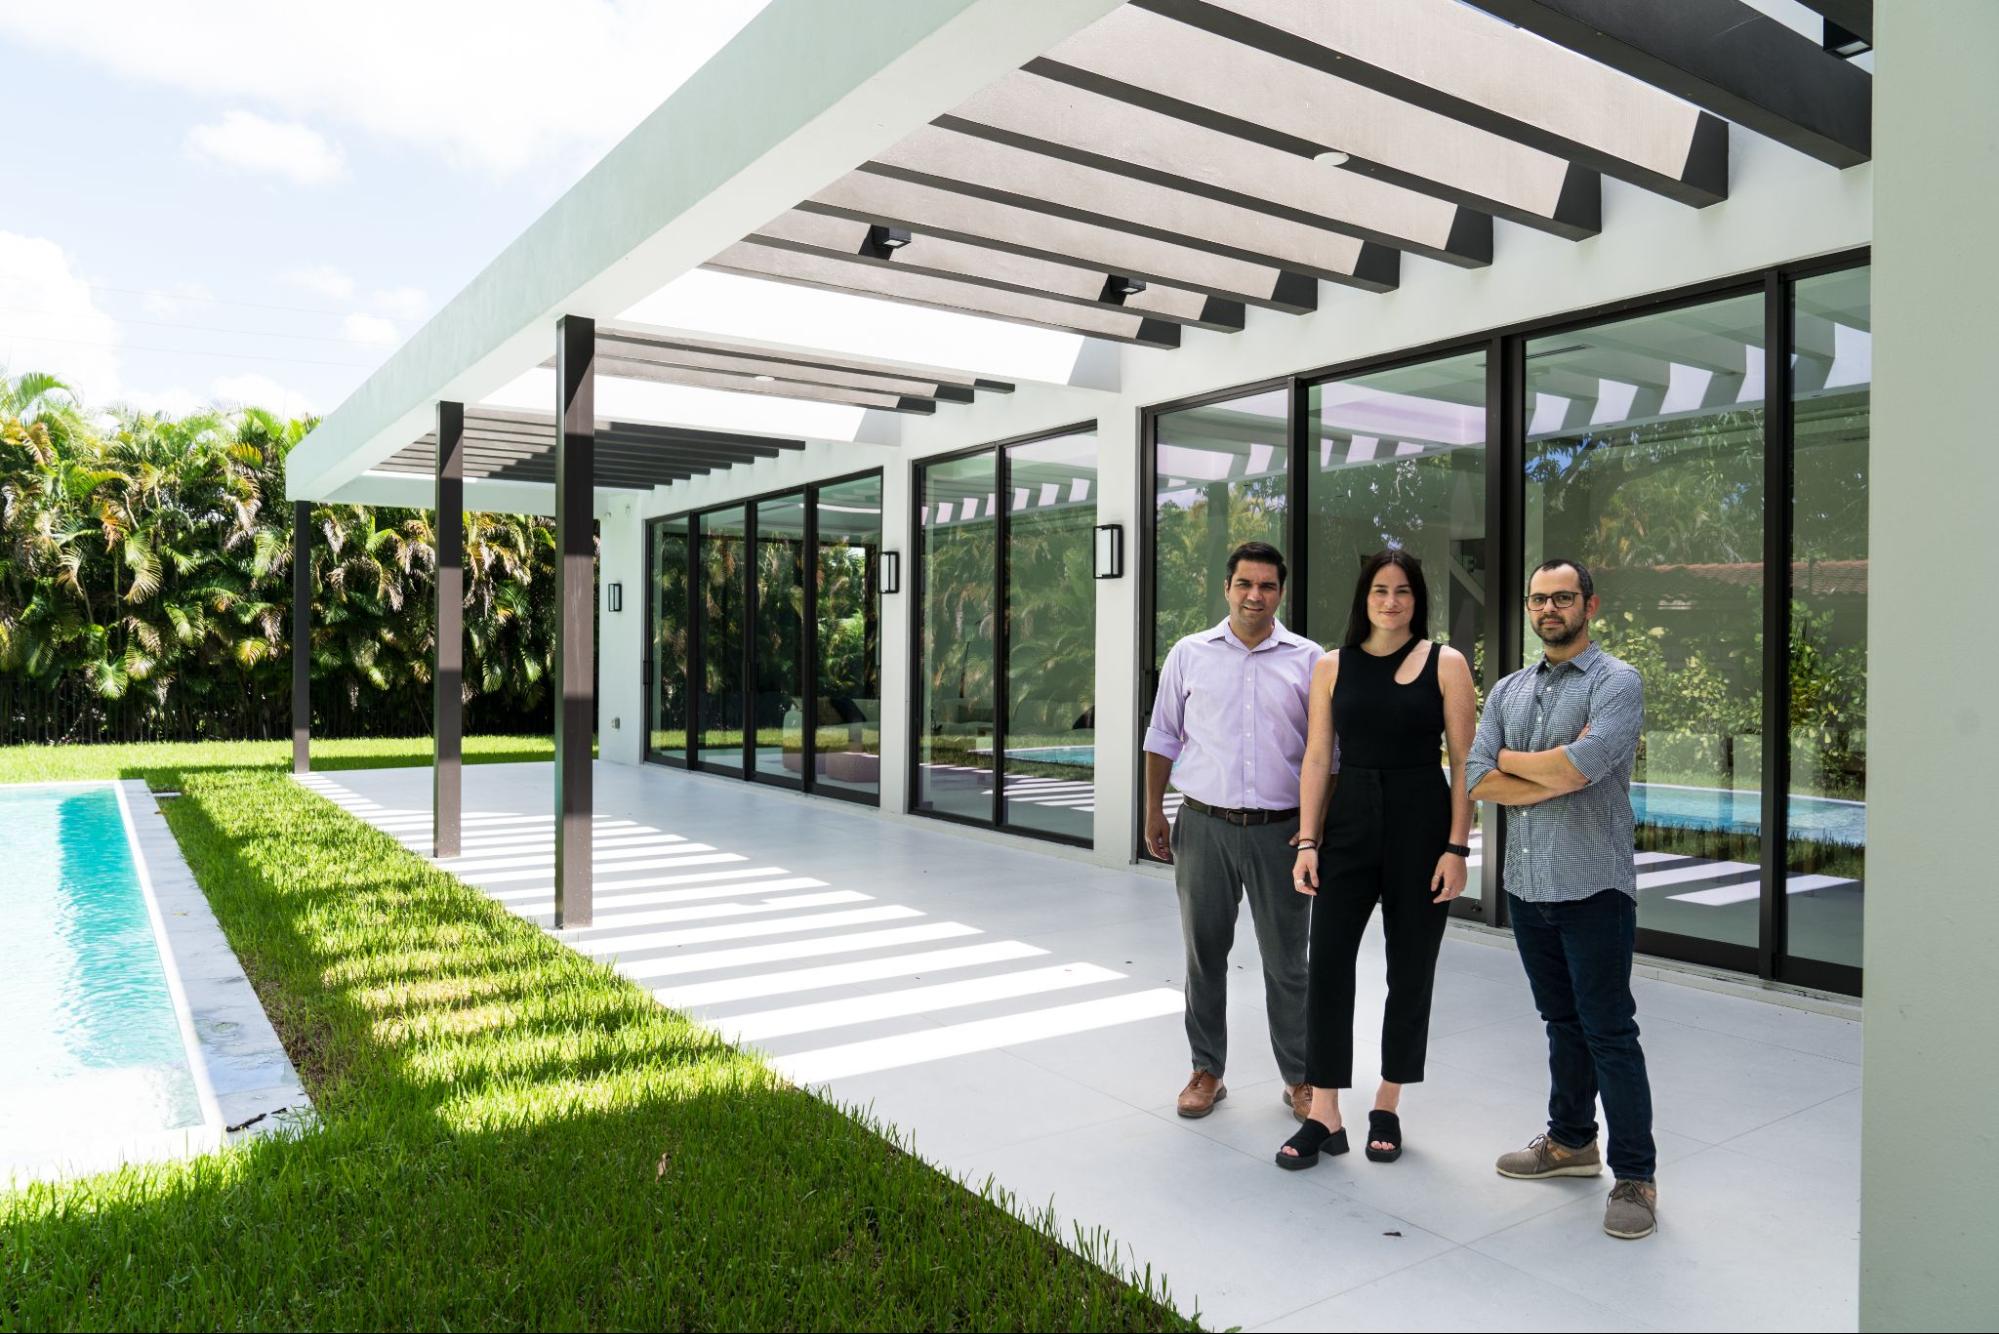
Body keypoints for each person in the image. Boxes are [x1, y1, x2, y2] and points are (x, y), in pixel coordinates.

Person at [1464, 558, 1658, 1240]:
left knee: (1608, 1030)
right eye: (1539, 599)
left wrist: (1514, 761)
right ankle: (1572, 1142)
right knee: (1560, 1022)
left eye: (1563, 598)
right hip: (1527, 885)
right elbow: (1475, 777)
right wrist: (1545, 769)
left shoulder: (1617, 681)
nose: (1549, 609)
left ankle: (1635, 1176)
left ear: (1589, 606)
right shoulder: (1508, 689)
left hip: (1594, 886)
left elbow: (1584, 765)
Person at [1275, 550, 1476, 1170]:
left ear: (1418, 599)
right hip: (1349, 823)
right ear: (1364, 598)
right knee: (1328, 964)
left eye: (1404, 591)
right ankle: (1325, 1112)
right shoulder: (1331, 666)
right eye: (1380, 590)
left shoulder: (1447, 663)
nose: (1391, 602)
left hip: (1422, 822)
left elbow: (1465, 763)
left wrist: (1457, 848)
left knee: (1410, 969)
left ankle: (1387, 1103)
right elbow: (1318, 757)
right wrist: (1308, 841)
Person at [1143, 541, 1321, 1122]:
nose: (1254, 595)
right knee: (1204, 956)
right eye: (1244, 583)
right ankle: (1207, 1070)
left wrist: (1314, 831)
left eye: (1267, 585)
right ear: (1226, 588)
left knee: (1288, 962)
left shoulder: (1309, 659)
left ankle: (1300, 1077)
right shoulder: (1189, 654)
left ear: (1280, 593)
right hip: (1203, 826)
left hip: (1281, 833)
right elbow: (1162, 736)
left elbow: (1326, 755)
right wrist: (1152, 810)